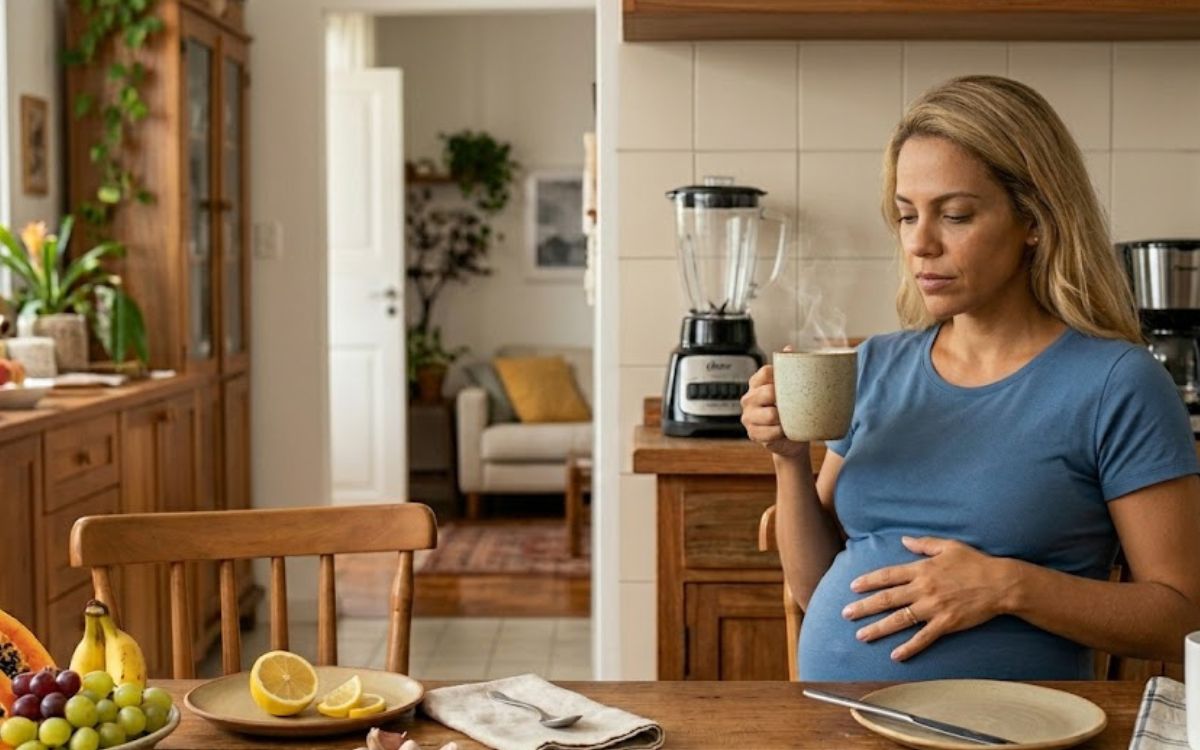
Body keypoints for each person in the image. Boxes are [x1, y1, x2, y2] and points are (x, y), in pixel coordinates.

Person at [741, 75, 1200, 681]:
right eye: (907, 216)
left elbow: (1181, 617)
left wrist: (1009, 586)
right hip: (835, 723)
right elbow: (813, 586)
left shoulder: (1117, 383)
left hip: (1013, 733)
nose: (921, 244)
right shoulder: (877, 366)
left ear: (1033, 220)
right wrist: (789, 460)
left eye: (955, 215)